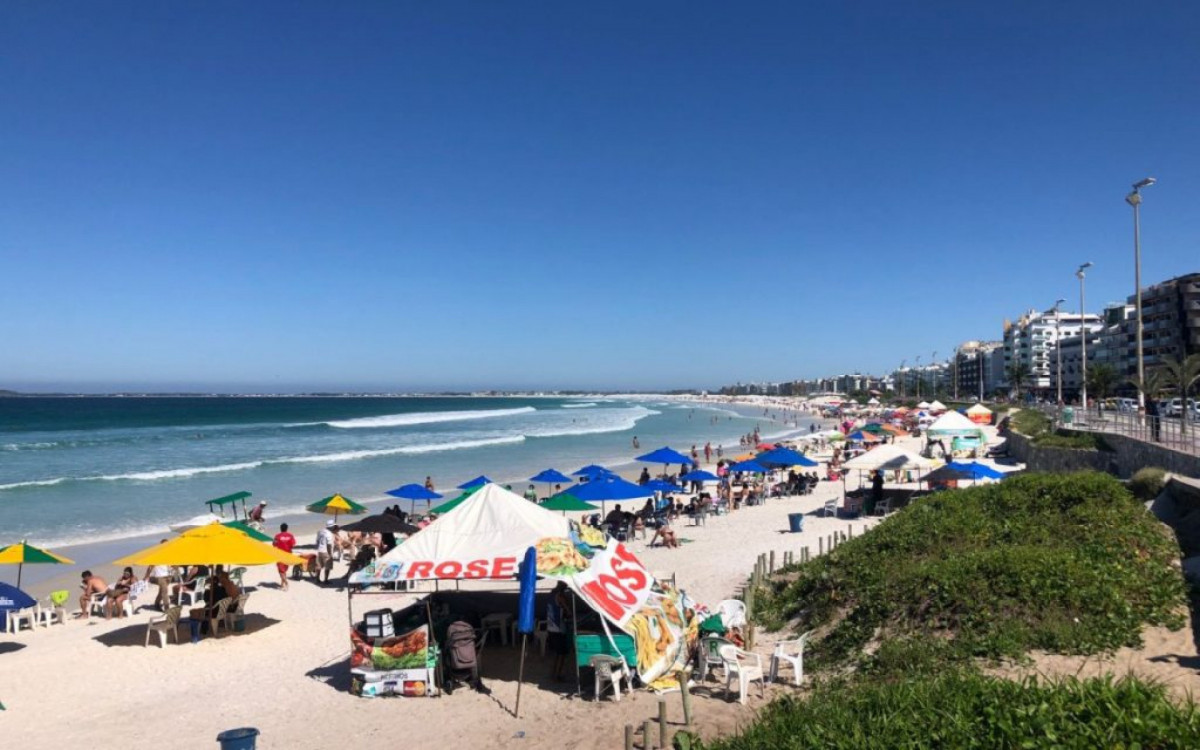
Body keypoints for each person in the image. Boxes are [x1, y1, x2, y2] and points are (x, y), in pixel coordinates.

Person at [546, 581, 572, 681]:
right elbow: (569, 612)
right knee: (561, 654)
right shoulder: (560, 596)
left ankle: (554, 674)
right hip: (558, 628)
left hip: (550, 627)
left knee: (557, 653)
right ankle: (557, 676)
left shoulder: (551, 594)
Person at [144, 543, 172, 611]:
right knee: (165, 592)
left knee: (161, 591)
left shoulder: (169, 554)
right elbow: (150, 567)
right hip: (160, 577)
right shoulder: (157, 555)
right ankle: (167, 608)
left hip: (168, 577)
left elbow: (172, 565)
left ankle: (156, 604)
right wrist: (146, 576)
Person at [273, 523, 297, 591]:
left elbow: (274, 544)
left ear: (280, 528)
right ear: (287, 528)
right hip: (288, 555)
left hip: (280, 555)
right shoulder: (290, 535)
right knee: (284, 570)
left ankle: (286, 583)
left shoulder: (277, 536)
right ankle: (282, 584)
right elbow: (293, 544)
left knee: (281, 571)